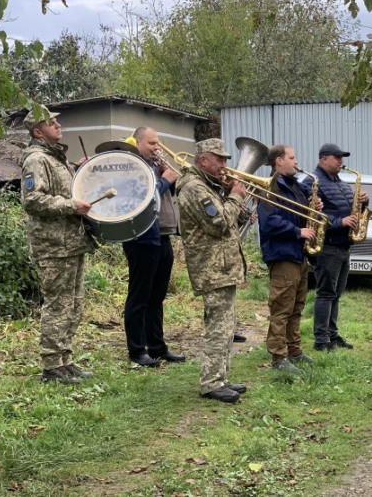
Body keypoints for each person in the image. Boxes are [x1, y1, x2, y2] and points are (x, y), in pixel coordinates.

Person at [20, 105, 96, 384]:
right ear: (37, 131)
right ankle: (52, 367)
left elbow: (64, 189)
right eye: (50, 122)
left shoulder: (56, 158)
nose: (57, 124)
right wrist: (72, 205)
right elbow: (32, 201)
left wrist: (80, 169)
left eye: (56, 120)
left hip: (72, 242)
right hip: (53, 245)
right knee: (57, 304)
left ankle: (65, 359)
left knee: (74, 304)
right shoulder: (36, 160)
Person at [176, 138, 248, 404]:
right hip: (211, 268)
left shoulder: (208, 185)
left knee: (226, 326)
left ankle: (221, 377)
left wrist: (231, 196)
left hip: (221, 266)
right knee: (218, 326)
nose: (224, 165)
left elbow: (231, 222)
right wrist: (236, 196)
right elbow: (219, 224)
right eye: (220, 160)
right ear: (203, 160)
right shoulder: (195, 188)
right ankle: (211, 383)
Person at [122, 127, 186, 367]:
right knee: (139, 296)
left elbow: (164, 197)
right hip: (140, 237)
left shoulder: (152, 165)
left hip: (163, 235)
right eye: (151, 143)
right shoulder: (130, 166)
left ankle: (157, 347)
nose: (156, 148)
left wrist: (168, 179)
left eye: (158, 143)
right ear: (137, 143)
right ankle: (137, 351)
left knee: (157, 296)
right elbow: (141, 198)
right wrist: (162, 181)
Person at [258, 145, 320, 373]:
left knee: (296, 307)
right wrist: (298, 232)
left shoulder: (293, 187)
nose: (296, 162)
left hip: (298, 254)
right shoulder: (270, 187)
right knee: (281, 308)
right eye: (292, 158)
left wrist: (313, 209)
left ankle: (294, 351)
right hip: (283, 254)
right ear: (278, 161)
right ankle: (278, 357)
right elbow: (269, 222)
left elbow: (299, 214)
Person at [302, 143, 368, 352]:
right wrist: (341, 222)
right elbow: (311, 215)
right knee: (326, 293)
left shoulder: (338, 181)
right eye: (337, 157)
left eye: (342, 157)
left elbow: (348, 208)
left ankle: (332, 334)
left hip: (343, 245)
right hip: (328, 246)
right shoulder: (312, 182)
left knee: (336, 293)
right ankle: (321, 340)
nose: (341, 161)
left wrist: (362, 203)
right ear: (324, 160)